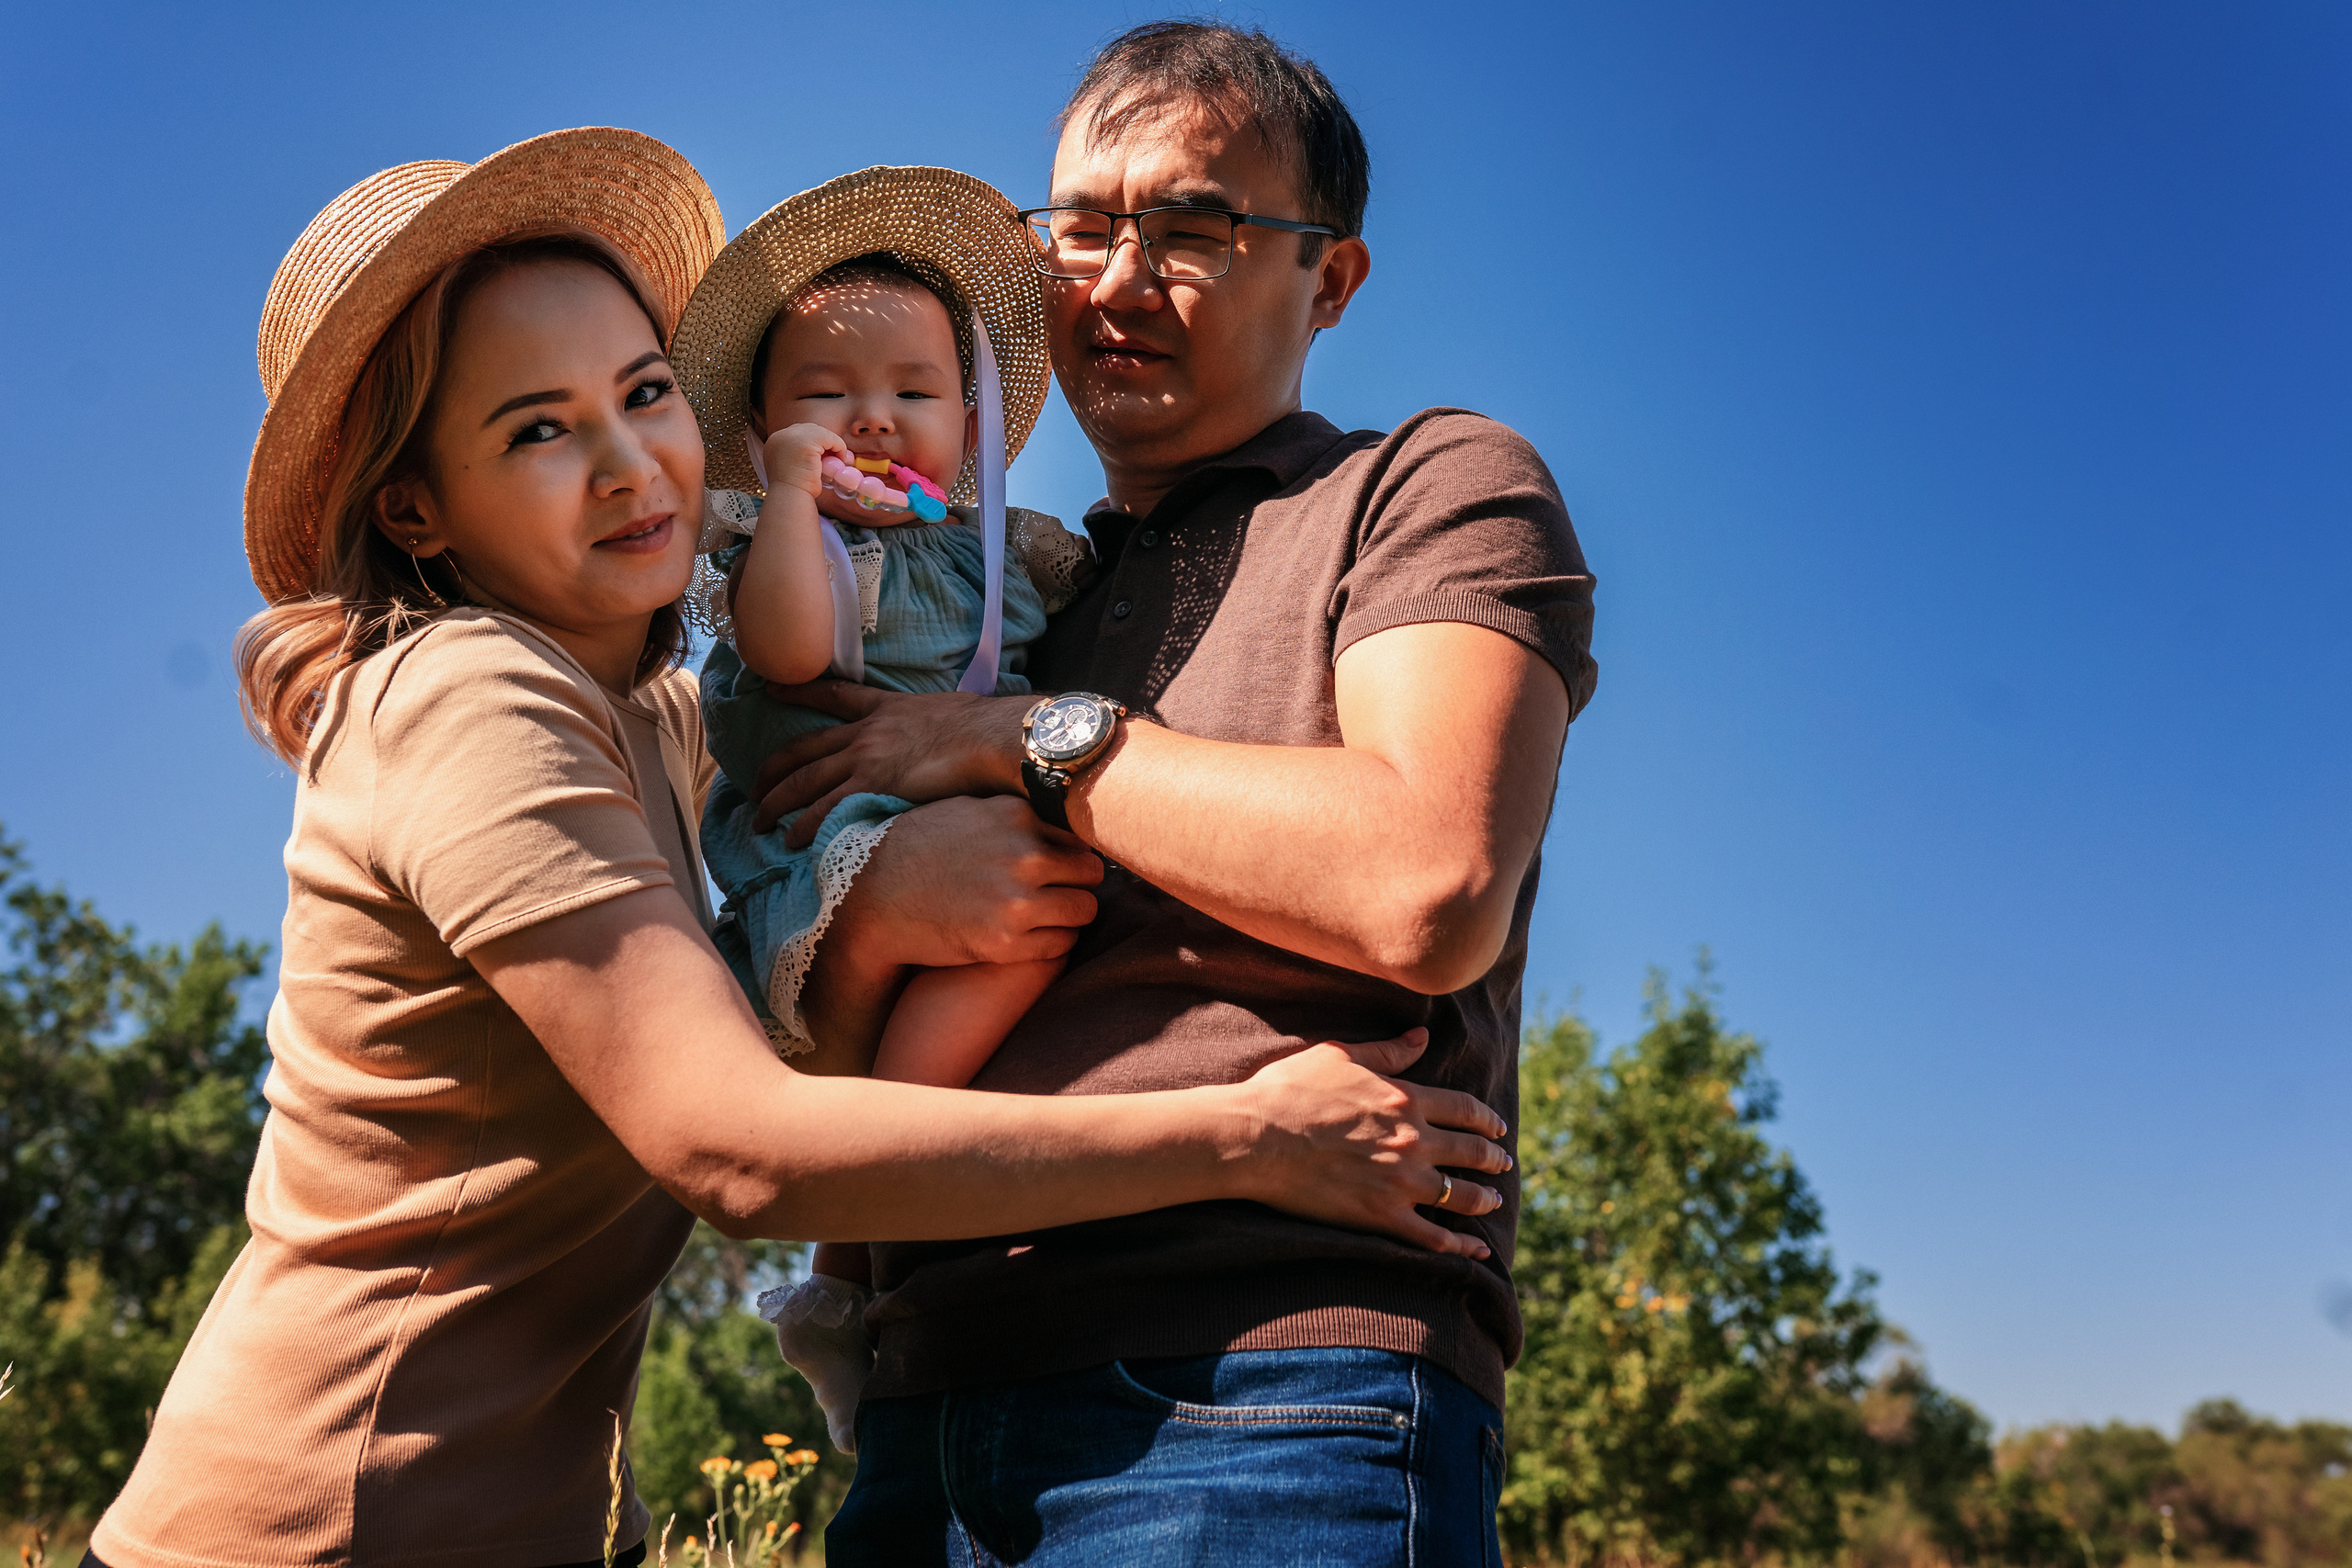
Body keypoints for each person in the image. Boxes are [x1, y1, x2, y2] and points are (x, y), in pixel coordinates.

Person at [80, 126, 1510, 1568]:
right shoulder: (470, 695)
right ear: (412, 505)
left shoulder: (659, 719)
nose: (632, 465)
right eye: (537, 428)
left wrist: (880, 913)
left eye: (642, 395)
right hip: (313, 1525)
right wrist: (1244, 1135)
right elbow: (738, 1149)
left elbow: (780, 1054)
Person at [752, 24, 1600, 1565]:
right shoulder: (992, 603)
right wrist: (879, 922)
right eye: (1079, 226)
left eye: (1192, 228)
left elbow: (1426, 880)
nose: (1115, 280)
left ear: (1329, 282)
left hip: (1270, 1386)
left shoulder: (1427, 487)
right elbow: (794, 1067)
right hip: (924, 1416)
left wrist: (1034, 739)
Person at [663, 174, 1101, 1442]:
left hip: (977, 827)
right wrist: (795, 499)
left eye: (914, 393)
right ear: (758, 432)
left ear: (970, 420)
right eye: (823, 397)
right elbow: (795, 656)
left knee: (1054, 908)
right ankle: (891, 1199)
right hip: (831, 846)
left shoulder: (1010, 552)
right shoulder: (782, 546)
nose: (873, 419)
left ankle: (863, 1248)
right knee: (1026, 910)